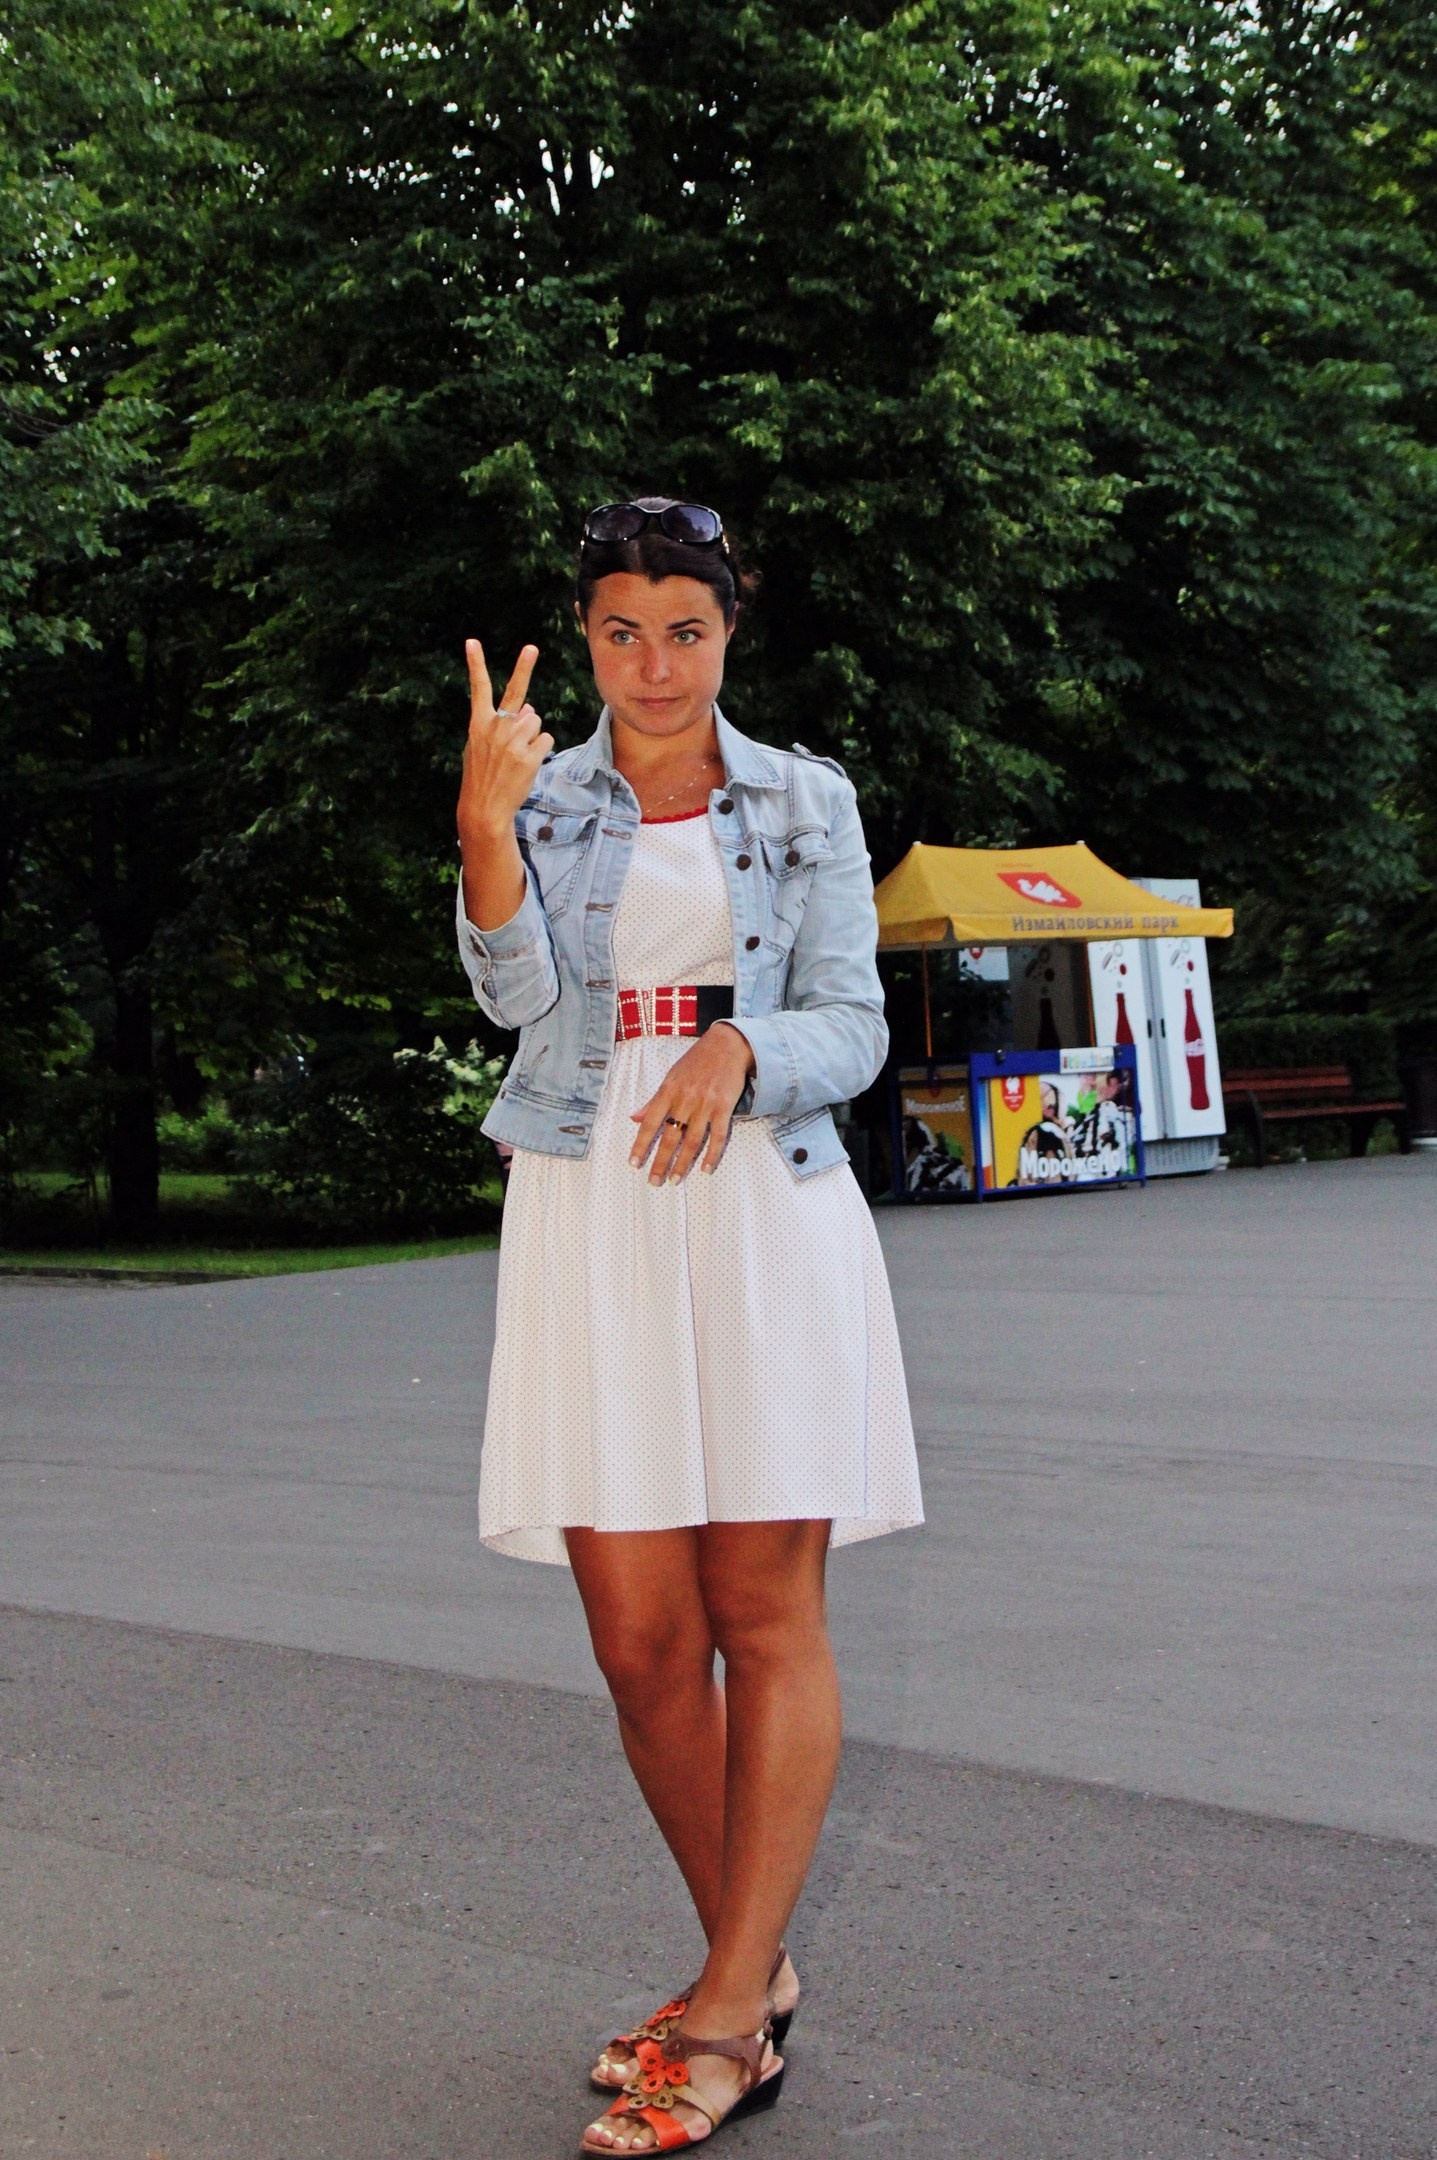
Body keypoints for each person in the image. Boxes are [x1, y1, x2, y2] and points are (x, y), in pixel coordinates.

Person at [455, 496, 923, 2153]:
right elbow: (513, 997)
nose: (652, 664)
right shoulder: (539, 794)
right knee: (642, 1641)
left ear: (730, 632)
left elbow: (853, 1022)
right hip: (590, 1201)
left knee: (759, 1609)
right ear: (585, 638)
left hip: (758, 1207)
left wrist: (743, 1047)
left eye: (685, 631)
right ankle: (754, 1960)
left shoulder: (804, 798)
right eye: (619, 632)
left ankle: (725, 2014)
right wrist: (481, 828)